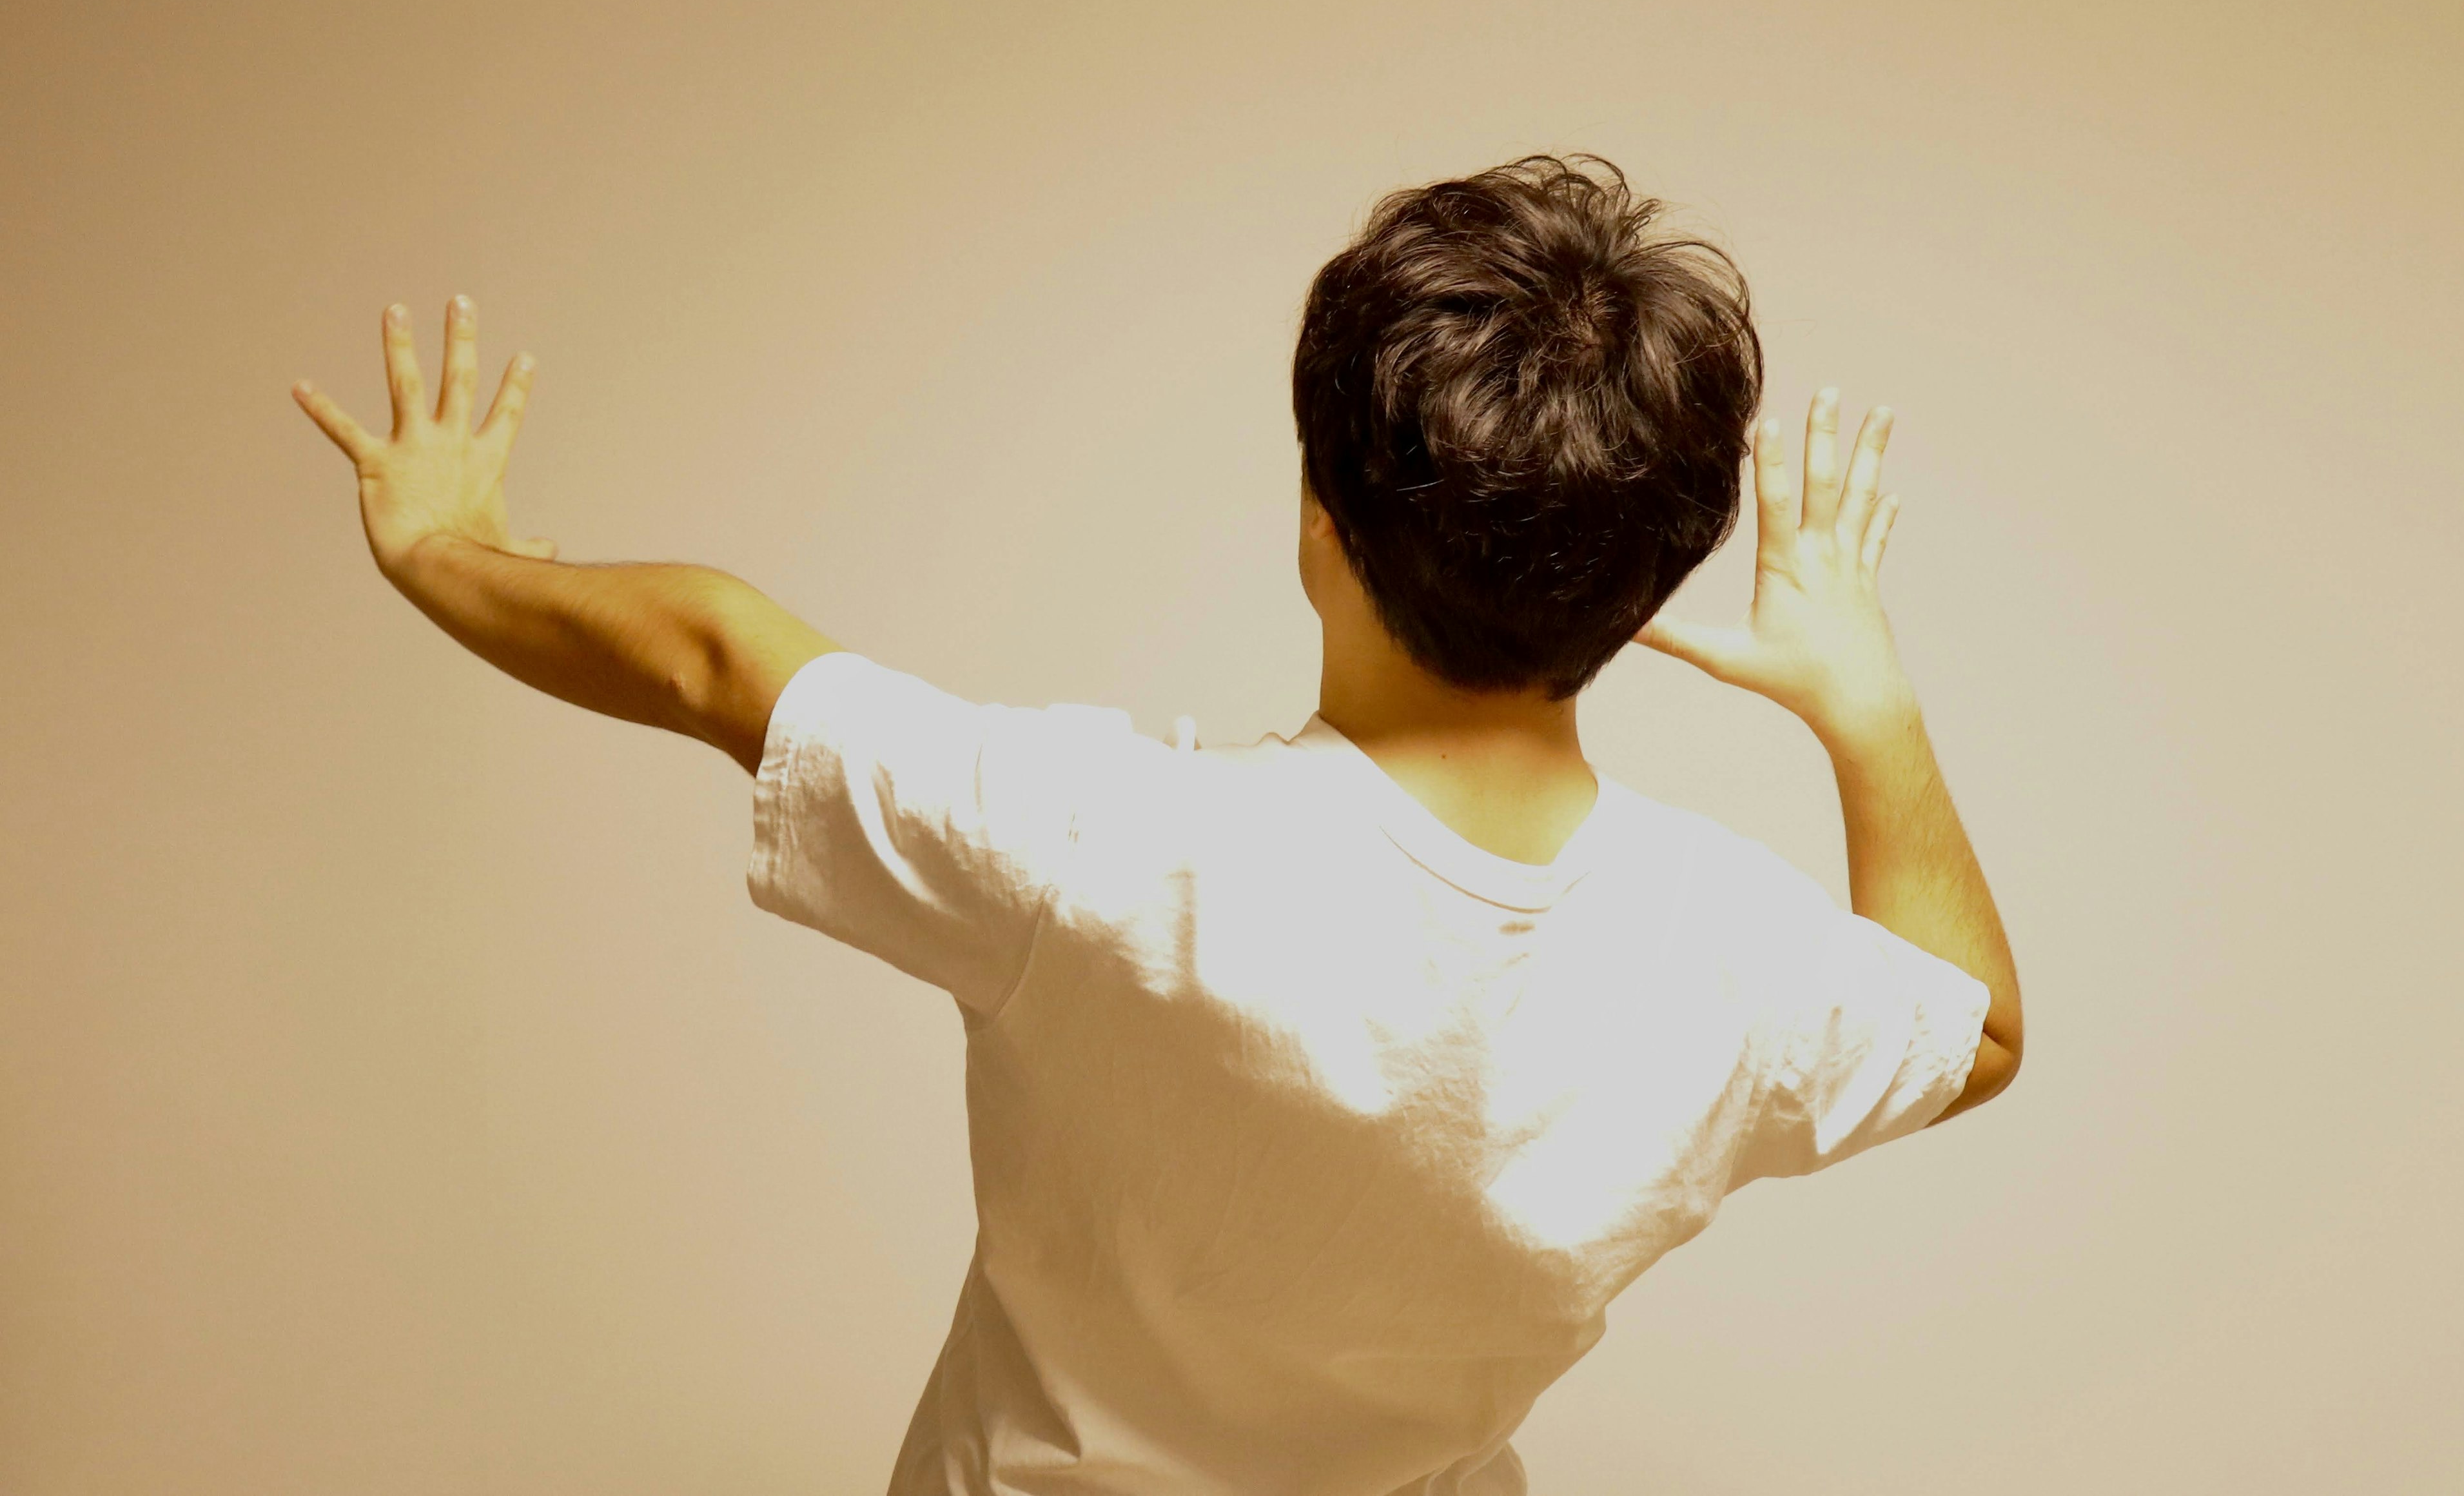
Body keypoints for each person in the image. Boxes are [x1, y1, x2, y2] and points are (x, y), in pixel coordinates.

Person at [292, 153, 2023, 1496]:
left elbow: (712, 655)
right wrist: (1861, 697)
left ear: (1320, 521)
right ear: (1656, 575)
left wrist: (442, 546)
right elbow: (1977, 1029)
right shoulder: (1726, 964)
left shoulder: (1098, 852)